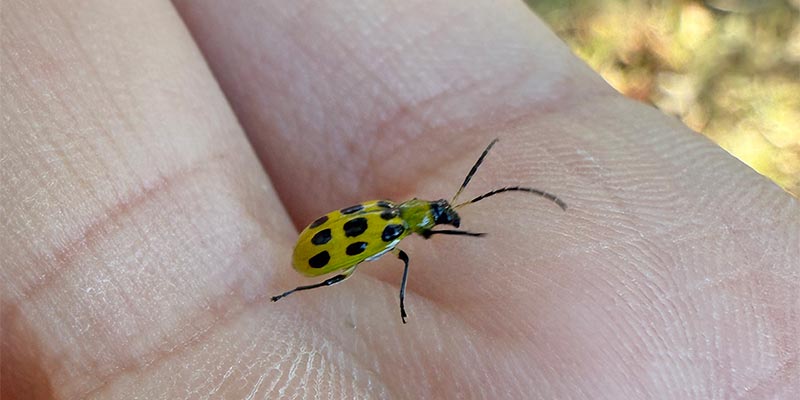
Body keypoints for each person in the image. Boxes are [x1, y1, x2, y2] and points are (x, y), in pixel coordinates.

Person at [3, 0, 797, 398]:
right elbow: (388, 256)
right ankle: (298, 286)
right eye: (448, 216)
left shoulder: (401, 214)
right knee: (358, 268)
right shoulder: (400, 229)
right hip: (326, 251)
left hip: (341, 236)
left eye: (448, 217)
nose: (447, 219)